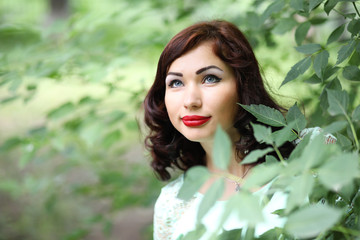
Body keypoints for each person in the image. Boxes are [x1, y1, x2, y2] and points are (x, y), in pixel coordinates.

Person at [143, 20, 331, 239]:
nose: (190, 101)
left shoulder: (312, 152)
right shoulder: (171, 204)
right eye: (176, 83)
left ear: (243, 86)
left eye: (209, 78)